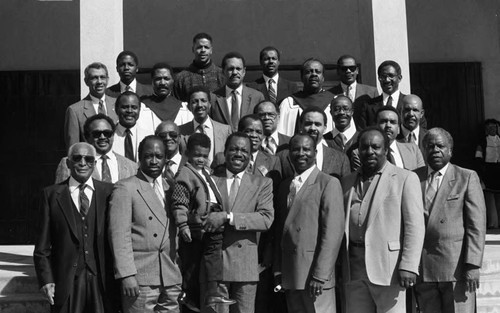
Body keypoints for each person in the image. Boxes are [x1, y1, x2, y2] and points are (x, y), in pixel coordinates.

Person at [341, 127, 425, 313]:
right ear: (357, 151)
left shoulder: (405, 178)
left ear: (385, 150)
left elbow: (415, 226)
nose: (369, 151)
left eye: (375, 147)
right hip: (353, 268)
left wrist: (409, 266)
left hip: (389, 269)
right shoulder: (347, 182)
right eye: (364, 147)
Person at [34, 142, 116, 313]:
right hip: (67, 281)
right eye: (77, 158)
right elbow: (42, 247)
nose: (83, 163)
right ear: (68, 163)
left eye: (89, 159)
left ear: (94, 163)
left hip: (102, 281)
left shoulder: (109, 192)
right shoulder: (51, 194)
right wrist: (46, 279)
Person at [415, 128, 486, 313]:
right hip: (422, 269)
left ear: (450, 151)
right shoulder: (413, 178)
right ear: (423, 150)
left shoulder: (466, 177)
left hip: (456, 269)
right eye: (430, 146)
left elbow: (476, 226)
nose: (435, 150)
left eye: (440, 146)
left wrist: (473, 265)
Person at [109, 135, 182, 313]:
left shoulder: (171, 187)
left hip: (170, 274)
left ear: (166, 159)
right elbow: (119, 235)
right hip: (141, 277)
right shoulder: (125, 188)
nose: (154, 161)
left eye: (159, 156)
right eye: (149, 156)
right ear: (139, 158)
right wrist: (127, 274)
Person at [203, 132, 274, 313]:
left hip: (245, 267)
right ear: (224, 152)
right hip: (216, 266)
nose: (238, 154)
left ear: (250, 156)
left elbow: (265, 219)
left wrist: (229, 217)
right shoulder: (210, 180)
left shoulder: (262, 183)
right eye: (233, 149)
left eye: (244, 150)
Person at [274, 133, 345, 313]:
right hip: (292, 273)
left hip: (315, 275)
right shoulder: (284, 186)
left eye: (306, 149)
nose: (301, 153)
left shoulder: (328, 183)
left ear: (315, 152)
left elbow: (332, 234)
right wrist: (278, 270)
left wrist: (320, 275)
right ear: (289, 154)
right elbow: (280, 233)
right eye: (296, 149)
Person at [171, 133, 236, 312]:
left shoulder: (205, 172)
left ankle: (212, 291)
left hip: (211, 218)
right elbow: (179, 203)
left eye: (205, 156)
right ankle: (190, 294)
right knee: (193, 261)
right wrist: (183, 225)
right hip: (197, 223)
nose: (201, 159)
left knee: (212, 256)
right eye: (197, 155)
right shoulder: (185, 174)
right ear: (188, 153)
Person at [56, 113, 138, 183]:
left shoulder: (132, 167)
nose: (102, 137)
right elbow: (60, 195)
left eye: (107, 133)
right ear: (87, 137)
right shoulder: (69, 163)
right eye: (96, 134)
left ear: (113, 135)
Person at [279, 107, 350, 179]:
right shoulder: (282, 156)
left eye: (317, 124)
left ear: (325, 127)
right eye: (308, 124)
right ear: (300, 126)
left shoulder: (341, 159)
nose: (313, 128)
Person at [351, 106, 425, 171]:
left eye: (392, 122)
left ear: (399, 128)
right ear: (375, 126)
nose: (388, 125)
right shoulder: (359, 154)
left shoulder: (413, 150)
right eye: (383, 121)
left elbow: (421, 179)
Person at [64, 62, 118, 149]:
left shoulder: (117, 105)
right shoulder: (75, 110)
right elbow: (73, 148)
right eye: (94, 78)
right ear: (86, 81)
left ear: (107, 80)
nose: (99, 82)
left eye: (102, 77)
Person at [359, 60, 427, 129]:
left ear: (399, 78)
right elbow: (363, 133)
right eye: (383, 76)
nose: (387, 80)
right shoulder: (368, 106)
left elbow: (421, 130)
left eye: (391, 76)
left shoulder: (411, 103)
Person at [278, 58, 336, 136]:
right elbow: (281, 134)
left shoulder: (334, 102)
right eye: (309, 71)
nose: (314, 74)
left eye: (318, 72)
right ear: (302, 77)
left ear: (323, 78)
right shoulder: (289, 103)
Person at [210, 52, 265, 132]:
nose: (235, 72)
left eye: (238, 69)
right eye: (230, 69)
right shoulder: (213, 98)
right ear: (223, 72)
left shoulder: (257, 97)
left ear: (244, 71)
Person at [179, 86, 232, 165]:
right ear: (189, 107)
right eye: (195, 102)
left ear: (210, 104)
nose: (200, 105)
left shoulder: (225, 130)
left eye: (203, 101)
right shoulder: (180, 132)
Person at [328, 55, 378, 129]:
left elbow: (376, 117)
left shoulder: (371, 92)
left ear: (357, 70)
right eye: (344, 69)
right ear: (338, 71)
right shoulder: (329, 94)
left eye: (352, 68)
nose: (348, 71)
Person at [174, 33, 226, 102]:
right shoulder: (181, 78)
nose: (203, 50)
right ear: (193, 49)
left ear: (211, 50)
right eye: (199, 47)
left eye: (206, 47)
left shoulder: (222, 75)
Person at [112, 91, 159, 162]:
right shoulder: (109, 136)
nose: (130, 111)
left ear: (139, 110)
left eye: (134, 107)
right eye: (125, 107)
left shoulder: (149, 136)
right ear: (116, 109)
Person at [475, 119, 500, 228]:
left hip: (499, 170)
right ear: (486, 130)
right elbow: (478, 157)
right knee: (489, 197)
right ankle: (493, 223)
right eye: (489, 128)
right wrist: (481, 171)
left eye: (494, 127)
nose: (492, 129)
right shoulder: (482, 142)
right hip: (489, 171)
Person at [155, 121, 187, 186]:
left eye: (173, 135)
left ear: (179, 138)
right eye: (163, 135)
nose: (168, 138)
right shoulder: (150, 165)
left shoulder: (189, 164)